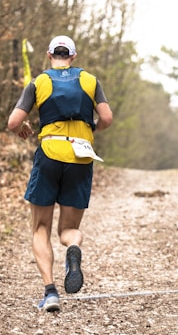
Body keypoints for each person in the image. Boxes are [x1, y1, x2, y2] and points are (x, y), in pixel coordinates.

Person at [8, 35, 113, 312]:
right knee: (68, 229)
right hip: (81, 154)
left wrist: (24, 129)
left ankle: (51, 292)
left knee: (40, 228)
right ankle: (73, 249)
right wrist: (91, 130)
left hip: (50, 153)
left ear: (49, 54)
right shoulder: (90, 81)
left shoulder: (40, 82)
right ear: (73, 57)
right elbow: (107, 119)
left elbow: (13, 122)